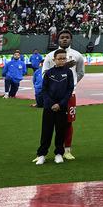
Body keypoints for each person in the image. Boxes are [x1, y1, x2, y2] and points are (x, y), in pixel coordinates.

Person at [34, 49, 75, 165]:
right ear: (54, 60)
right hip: (49, 107)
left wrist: (60, 104)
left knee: (60, 131)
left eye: (64, 58)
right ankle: (42, 154)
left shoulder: (68, 73)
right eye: (59, 58)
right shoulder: (48, 73)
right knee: (46, 131)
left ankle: (58, 153)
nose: (62, 60)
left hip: (62, 107)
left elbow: (69, 90)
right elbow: (44, 90)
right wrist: (51, 104)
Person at [50, 30, 85, 160]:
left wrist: (72, 84)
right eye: (62, 37)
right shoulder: (50, 56)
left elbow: (80, 73)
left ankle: (67, 150)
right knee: (50, 123)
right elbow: (45, 74)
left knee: (69, 123)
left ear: (71, 39)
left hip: (70, 95)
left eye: (67, 37)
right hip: (54, 96)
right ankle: (45, 151)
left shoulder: (77, 55)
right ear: (58, 40)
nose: (64, 39)